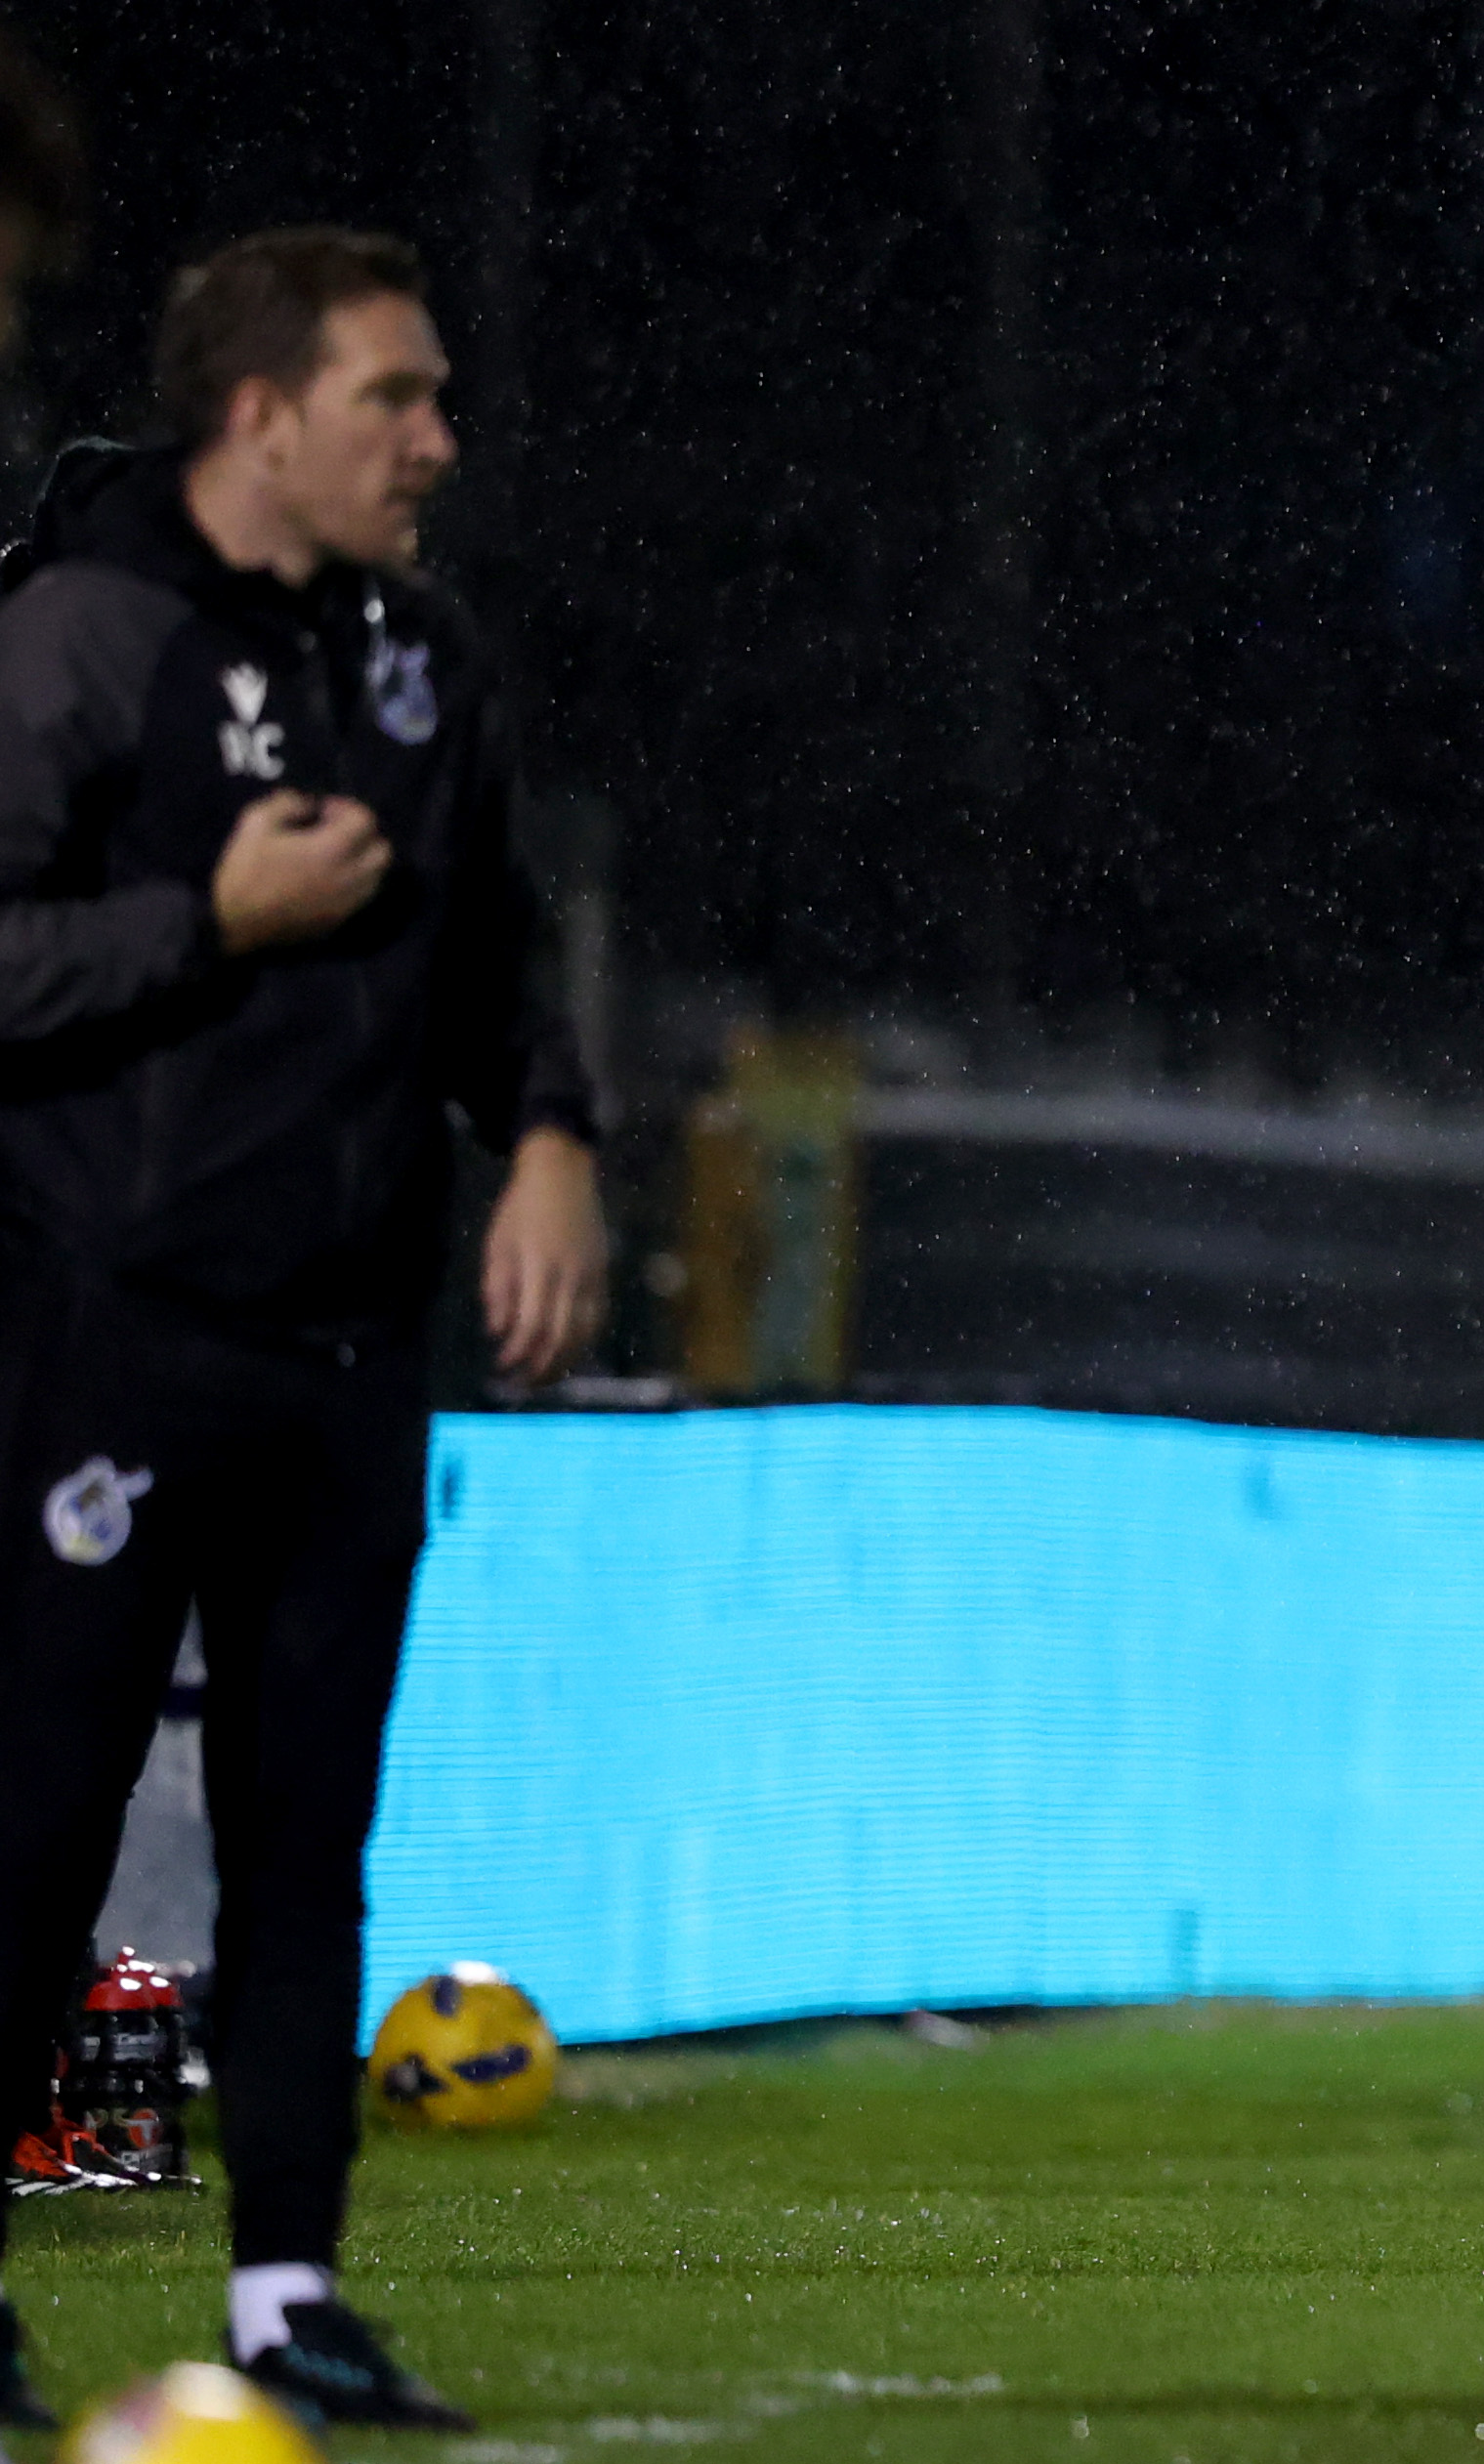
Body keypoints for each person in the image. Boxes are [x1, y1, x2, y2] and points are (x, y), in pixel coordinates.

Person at [0, 228, 604, 2434]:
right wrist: (208, 919)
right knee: (38, 1814)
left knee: (304, 1829)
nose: (438, 438)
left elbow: (495, 951)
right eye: (393, 397)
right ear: (262, 416)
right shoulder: (85, 633)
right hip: (109, 1327)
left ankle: (287, 2296)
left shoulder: (424, 657)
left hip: (348, 1351)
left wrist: (552, 1132)